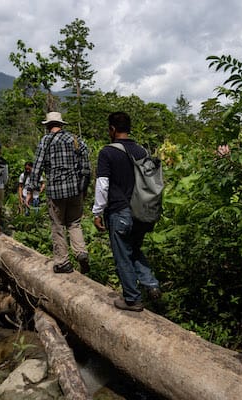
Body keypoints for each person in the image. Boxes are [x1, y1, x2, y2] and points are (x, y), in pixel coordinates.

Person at [92, 111, 161, 312]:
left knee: (122, 255)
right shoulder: (141, 151)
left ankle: (132, 299)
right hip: (141, 212)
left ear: (112, 129)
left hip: (119, 211)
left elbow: (103, 185)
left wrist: (97, 212)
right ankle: (151, 284)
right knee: (134, 250)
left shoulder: (107, 152)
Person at [26, 112, 90, 274]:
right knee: (74, 223)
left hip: (55, 192)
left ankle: (62, 262)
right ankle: (81, 252)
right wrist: (83, 189)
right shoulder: (75, 140)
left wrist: (31, 190)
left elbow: (37, 166)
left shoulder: (45, 141)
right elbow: (86, 168)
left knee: (58, 225)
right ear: (61, 125)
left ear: (48, 126)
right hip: (75, 190)